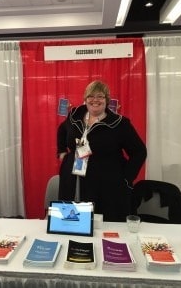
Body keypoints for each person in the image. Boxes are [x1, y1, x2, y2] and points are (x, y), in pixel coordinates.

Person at [57, 80, 147, 222]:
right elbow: (62, 130)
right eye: (91, 96)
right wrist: (61, 151)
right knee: (73, 221)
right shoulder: (74, 115)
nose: (95, 100)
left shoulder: (120, 123)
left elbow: (139, 152)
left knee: (102, 224)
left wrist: (126, 178)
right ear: (85, 99)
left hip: (106, 183)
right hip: (73, 178)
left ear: (107, 100)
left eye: (100, 96)